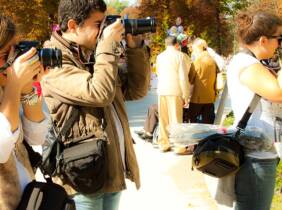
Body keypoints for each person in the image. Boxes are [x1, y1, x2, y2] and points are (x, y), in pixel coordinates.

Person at [41, 0, 150, 210]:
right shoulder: (53, 58)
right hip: (82, 176)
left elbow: (137, 90)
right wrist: (107, 46)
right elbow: (98, 93)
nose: (103, 30)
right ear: (72, 25)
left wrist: (135, 47)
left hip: (112, 166)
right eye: (97, 24)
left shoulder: (93, 52)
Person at [226, 11, 282, 210]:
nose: (279, 45)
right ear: (264, 40)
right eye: (279, 39)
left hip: (257, 151)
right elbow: (278, 93)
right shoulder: (246, 63)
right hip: (256, 158)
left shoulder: (248, 61)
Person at [0, 15, 48, 210]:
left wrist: (28, 87)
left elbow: (36, 136)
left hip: (27, 200)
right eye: (6, 53)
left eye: (16, 50)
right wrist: (14, 84)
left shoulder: (4, 88)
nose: (14, 60)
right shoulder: (8, 87)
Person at [156, 36, 191, 152]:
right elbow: (183, 77)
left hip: (162, 90)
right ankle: (179, 146)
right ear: (177, 44)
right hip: (175, 90)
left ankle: (163, 144)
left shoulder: (159, 56)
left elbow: (158, 73)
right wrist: (186, 95)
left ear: (166, 45)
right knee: (176, 119)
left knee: (163, 119)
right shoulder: (180, 56)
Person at [188, 38, 217, 124]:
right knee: (208, 124)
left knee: (192, 121)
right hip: (210, 96)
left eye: (193, 49)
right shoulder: (212, 60)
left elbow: (190, 79)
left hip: (198, 97)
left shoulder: (197, 61)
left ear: (197, 48)